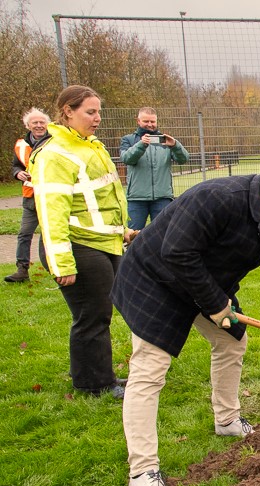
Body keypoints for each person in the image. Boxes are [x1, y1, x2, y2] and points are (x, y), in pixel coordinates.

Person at [112, 159, 260, 486]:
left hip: (204, 283)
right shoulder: (215, 198)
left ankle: (227, 419)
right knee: (149, 370)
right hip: (155, 279)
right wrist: (215, 305)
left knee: (231, 342)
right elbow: (178, 253)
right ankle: (142, 471)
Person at [29, 85, 132, 398]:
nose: (97, 118)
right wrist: (62, 262)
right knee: (92, 315)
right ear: (67, 111)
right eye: (90, 112)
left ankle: (101, 375)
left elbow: (100, 199)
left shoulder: (89, 146)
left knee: (102, 311)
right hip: (78, 246)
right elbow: (51, 212)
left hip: (102, 242)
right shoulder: (55, 154)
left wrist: (121, 229)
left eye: (98, 111)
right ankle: (94, 384)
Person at [119, 107, 189, 230]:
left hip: (162, 198)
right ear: (138, 121)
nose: (150, 125)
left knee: (161, 234)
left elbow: (183, 159)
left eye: (153, 121)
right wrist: (141, 145)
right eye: (146, 121)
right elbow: (127, 159)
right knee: (133, 236)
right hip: (136, 198)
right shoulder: (128, 140)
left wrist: (175, 145)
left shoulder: (165, 141)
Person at [5, 108, 51, 283]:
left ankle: (59, 268)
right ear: (28, 125)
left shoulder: (54, 142)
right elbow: (16, 166)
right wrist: (18, 174)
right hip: (30, 197)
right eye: (35, 123)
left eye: (42, 122)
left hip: (51, 196)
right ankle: (21, 270)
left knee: (54, 234)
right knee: (24, 234)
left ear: (47, 124)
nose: (39, 126)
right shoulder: (20, 145)